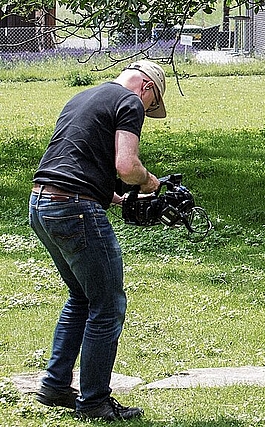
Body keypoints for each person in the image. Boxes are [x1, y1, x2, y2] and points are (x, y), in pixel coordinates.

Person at [30, 60, 167, 421]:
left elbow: (74, 159)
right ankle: (94, 401)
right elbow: (126, 166)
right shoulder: (130, 101)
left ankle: (55, 384)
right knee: (107, 305)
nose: (146, 111)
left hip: (41, 203)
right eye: (152, 106)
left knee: (81, 296)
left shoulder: (82, 96)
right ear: (147, 90)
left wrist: (112, 197)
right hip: (74, 209)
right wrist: (149, 182)